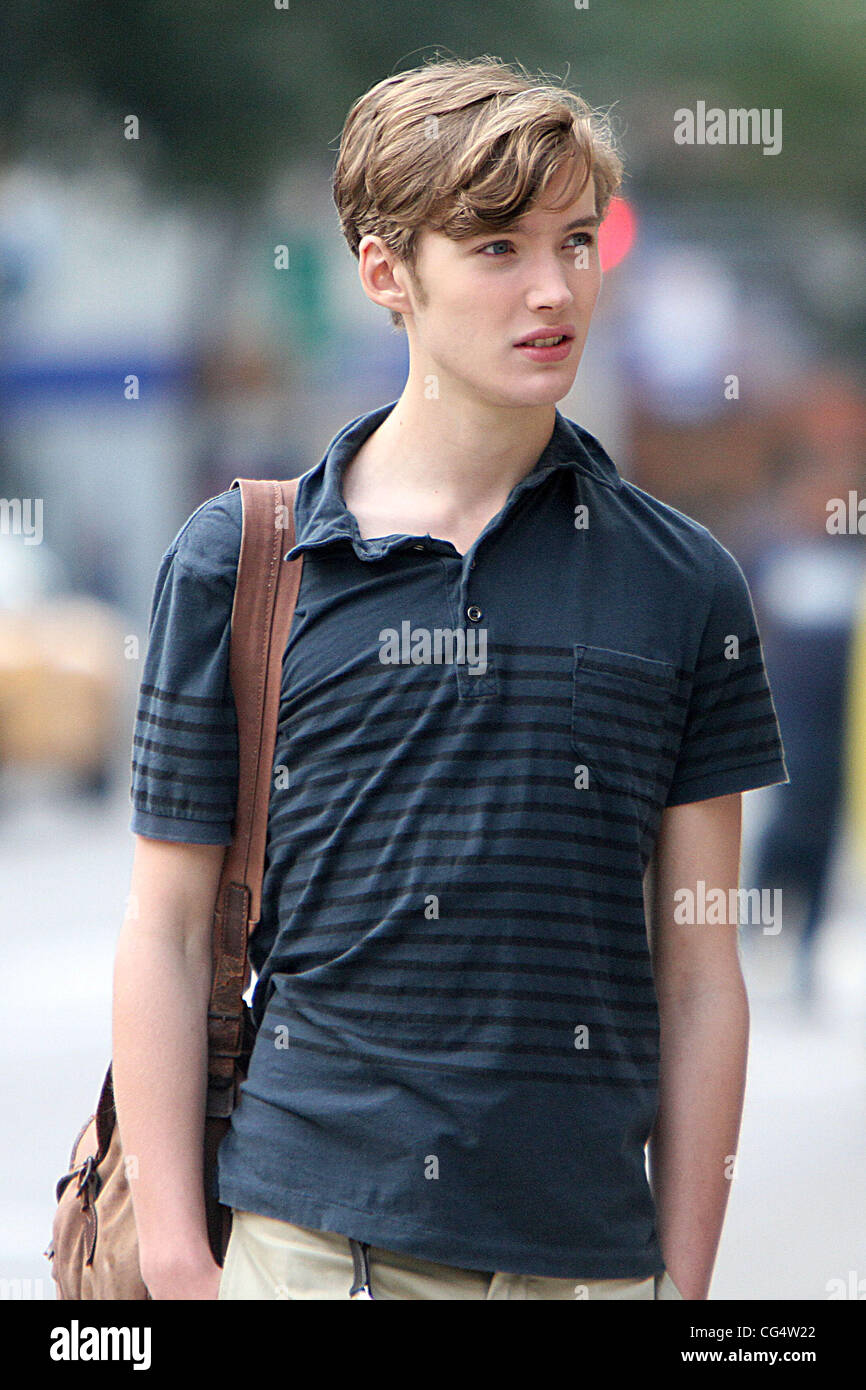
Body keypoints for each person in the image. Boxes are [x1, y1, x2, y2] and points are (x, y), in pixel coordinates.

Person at [112, 55, 788, 1301]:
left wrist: (681, 1287)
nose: (554, 288)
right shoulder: (244, 561)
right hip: (311, 1245)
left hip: (586, 1265)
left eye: (576, 241)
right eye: (496, 250)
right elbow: (160, 927)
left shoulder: (682, 582)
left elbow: (699, 967)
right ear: (386, 272)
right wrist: (174, 1254)